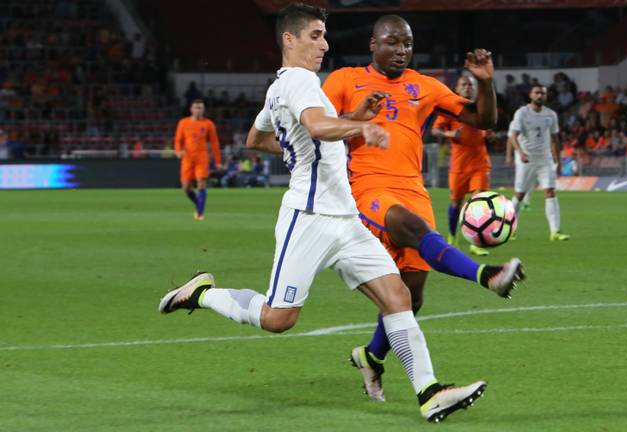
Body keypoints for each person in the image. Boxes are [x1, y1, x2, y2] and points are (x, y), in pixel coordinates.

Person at [158, 3, 485, 423]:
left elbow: (258, 139)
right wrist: (360, 127)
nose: (324, 44)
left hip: (345, 218)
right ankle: (202, 293)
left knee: (397, 295)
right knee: (278, 319)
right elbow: (315, 127)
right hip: (308, 217)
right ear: (288, 40)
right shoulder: (300, 83)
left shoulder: (281, 87)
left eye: (324, 35)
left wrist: (348, 119)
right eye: (315, 35)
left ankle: (430, 391)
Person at [323, 14, 525, 402]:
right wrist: (357, 119)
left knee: (410, 296)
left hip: (413, 188)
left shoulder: (424, 86)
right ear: (373, 44)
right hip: (367, 186)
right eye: (392, 42)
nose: (401, 51)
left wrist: (485, 81)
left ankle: (370, 355)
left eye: (407, 44)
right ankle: (487, 275)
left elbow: (485, 119)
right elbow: (318, 124)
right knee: (408, 227)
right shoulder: (344, 80)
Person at [431, 75, 492, 256]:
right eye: (464, 84)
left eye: (470, 85)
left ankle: (476, 242)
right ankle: (452, 236)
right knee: (456, 203)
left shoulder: (481, 107)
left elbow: (487, 126)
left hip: (480, 163)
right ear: (457, 88)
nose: (467, 87)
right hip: (459, 165)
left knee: (478, 201)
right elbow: (435, 129)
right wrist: (450, 134)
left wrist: (489, 134)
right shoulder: (451, 108)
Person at [505, 85, 570, 241]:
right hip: (526, 158)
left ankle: (555, 231)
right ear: (530, 95)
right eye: (537, 93)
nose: (540, 95)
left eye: (542, 93)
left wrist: (558, 161)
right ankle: (509, 229)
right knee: (519, 194)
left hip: (545, 158)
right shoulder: (522, 113)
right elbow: (513, 136)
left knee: (550, 192)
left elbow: (555, 139)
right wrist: (520, 153)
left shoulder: (551, 115)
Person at [174, 99, 221, 220]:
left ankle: (200, 213)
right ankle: (199, 204)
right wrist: (178, 151)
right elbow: (178, 139)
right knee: (186, 187)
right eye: (196, 107)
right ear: (191, 109)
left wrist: (217, 161)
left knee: (201, 182)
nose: (198, 110)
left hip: (202, 157)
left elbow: (214, 143)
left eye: (200, 108)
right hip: (187, 158)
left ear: (203, 109)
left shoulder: (208, 124)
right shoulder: (183, 123)